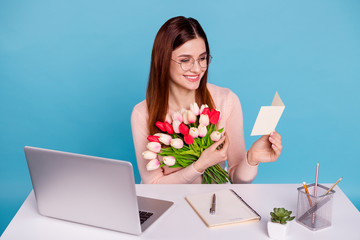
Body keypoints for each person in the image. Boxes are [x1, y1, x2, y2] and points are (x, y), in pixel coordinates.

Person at [131, 16, 283, 184]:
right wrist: (199, 165)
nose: (197, 68)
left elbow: (237, 179)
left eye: (202, 58)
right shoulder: (142, 113)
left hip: (212, 203)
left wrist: (252, 158)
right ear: (163, 61)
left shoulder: (226, 100)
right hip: (168, 205)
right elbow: (153, 185)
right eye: (185, 60)